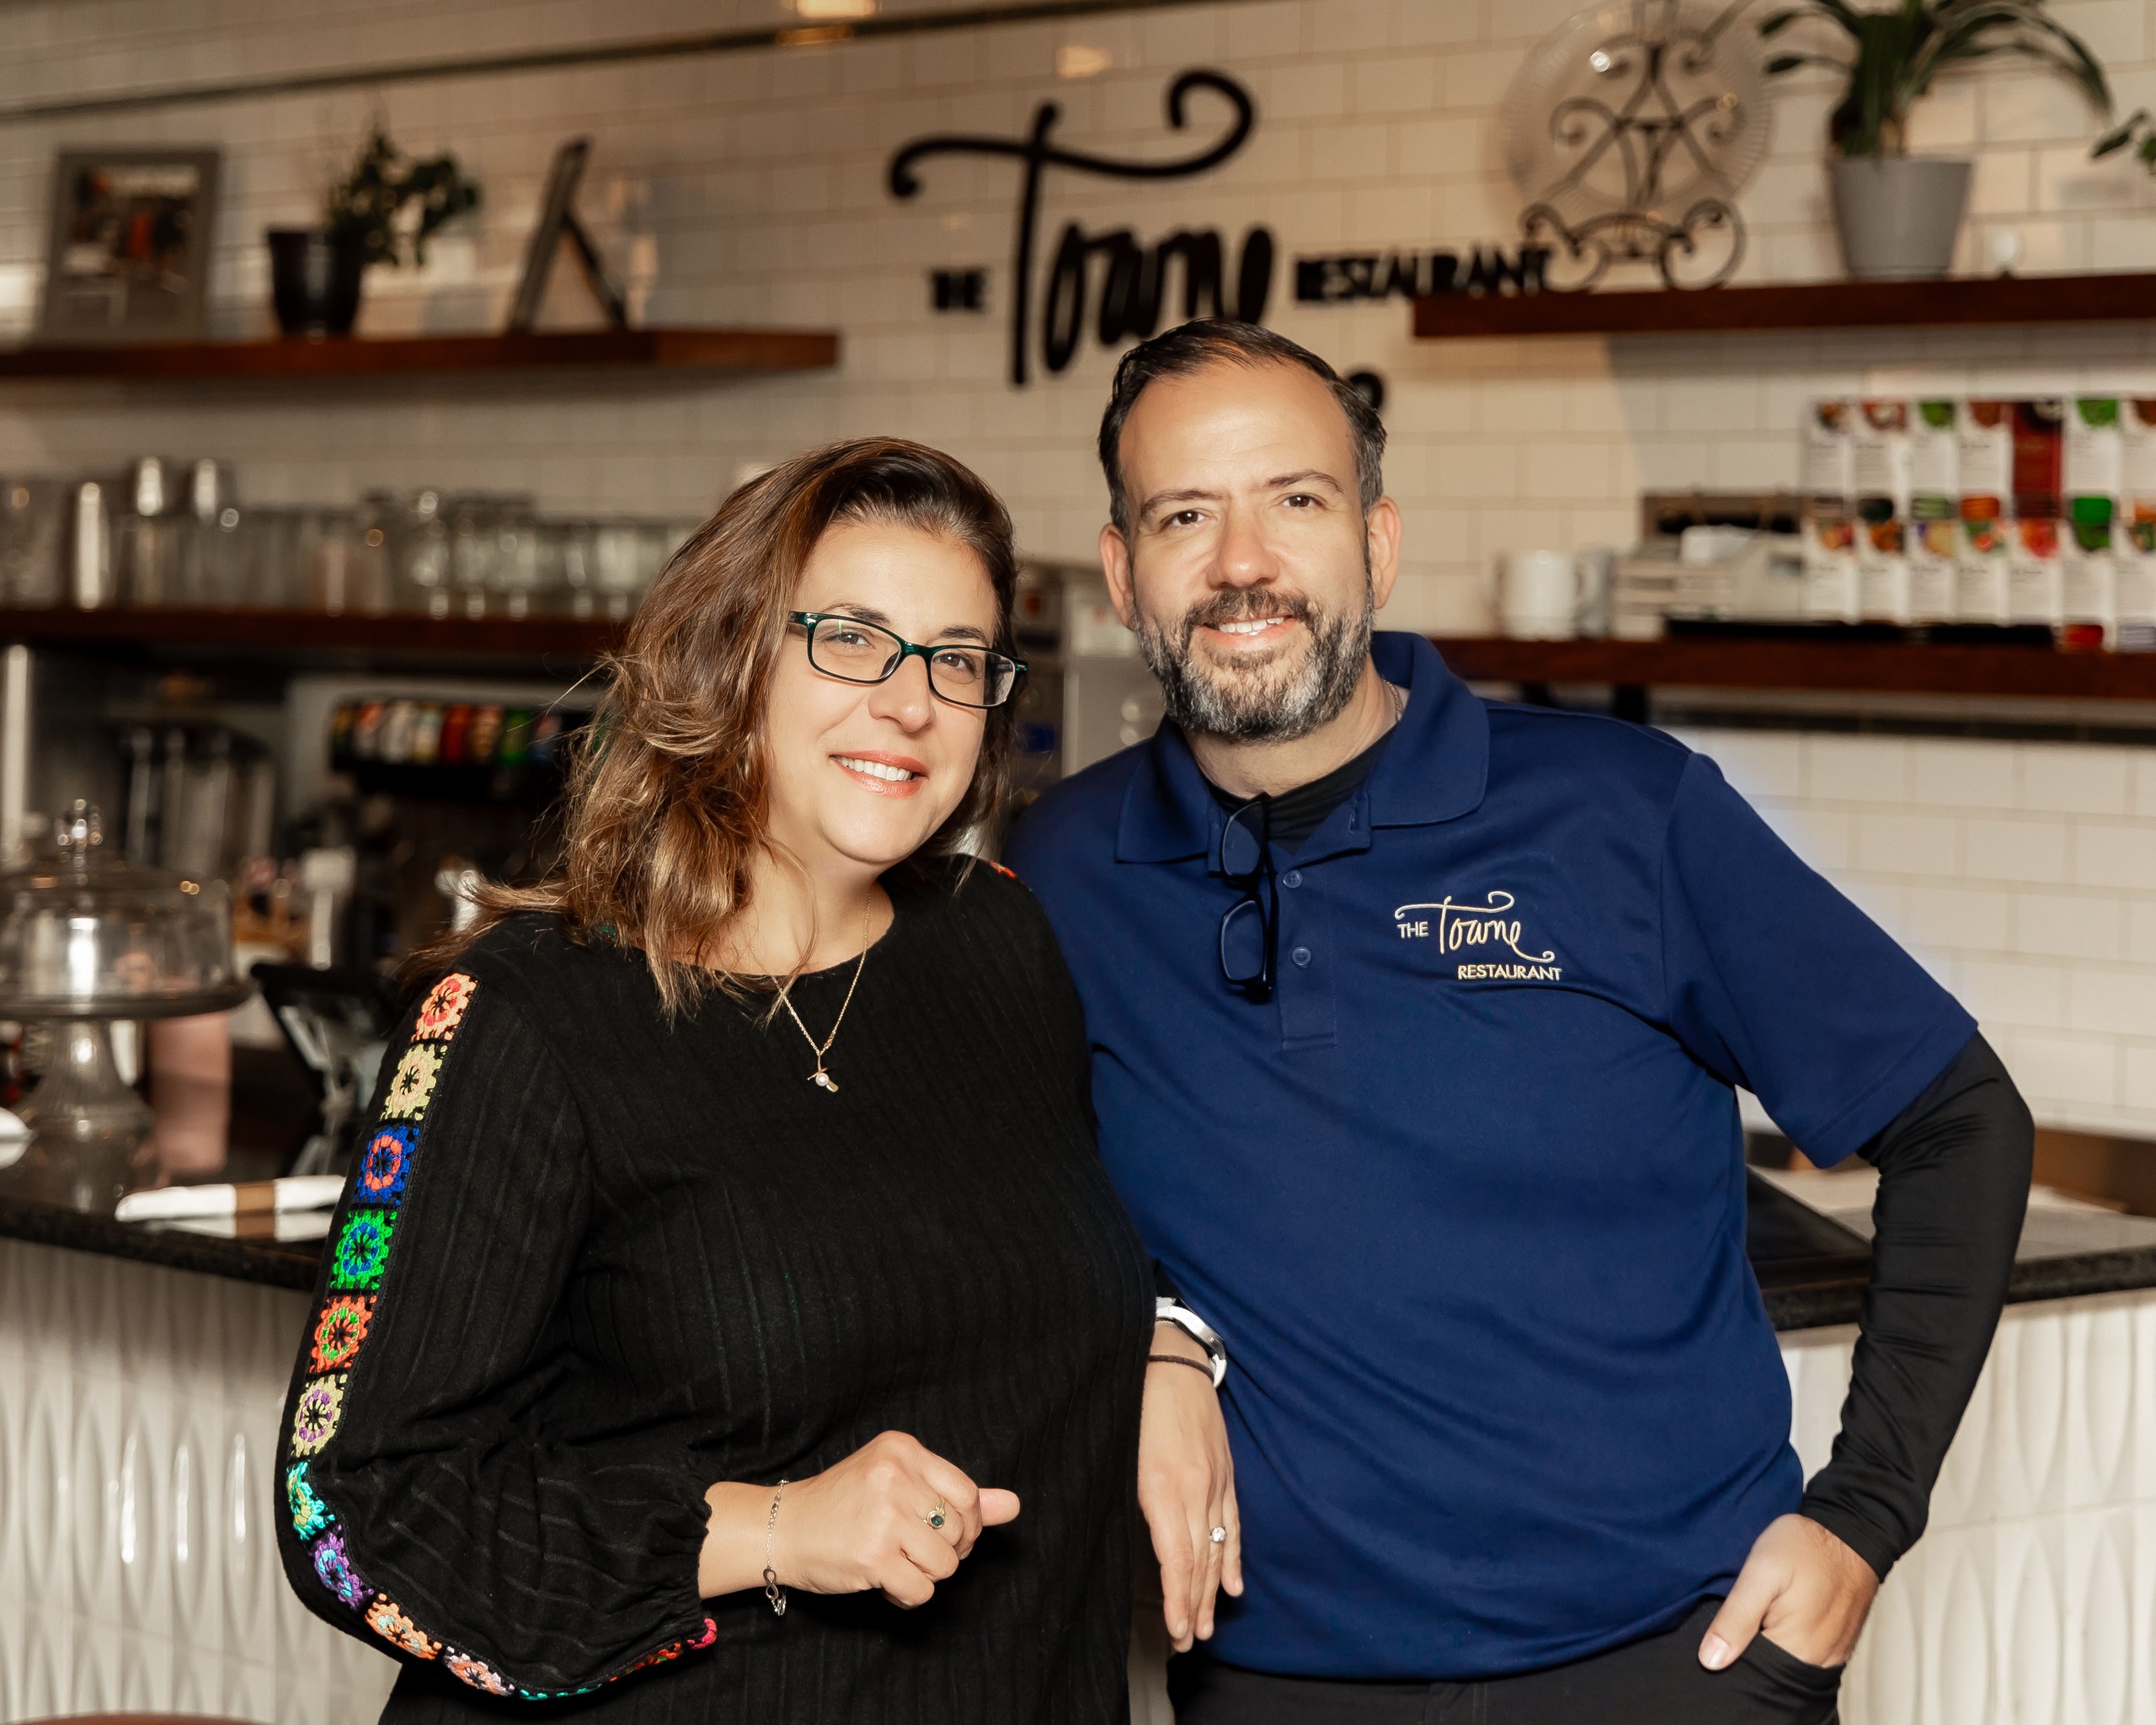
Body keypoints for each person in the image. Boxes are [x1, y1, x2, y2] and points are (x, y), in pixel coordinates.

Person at [1006, 323, 2034, 1725]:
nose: (1243, 563)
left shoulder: (1623, 810)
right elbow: (991, 1187)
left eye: (1295, 502)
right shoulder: (1060, 869)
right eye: (1187, 515)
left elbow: (1959, 1120)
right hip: (1276, 1677)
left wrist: (1863, 1518)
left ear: (1376, 544)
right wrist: (1154, 1331)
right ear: (1123, 572)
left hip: (1677, 1658)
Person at [275, 438, 1166, 1722]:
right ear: (733, 660)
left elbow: (1046, 1278)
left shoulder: (1003, 943)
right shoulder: (522, 1012)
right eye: (851, 639)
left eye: (957, 660)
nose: (909, 702)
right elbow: (351, 1503)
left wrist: (1170, 1355)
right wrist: (774, 1528)